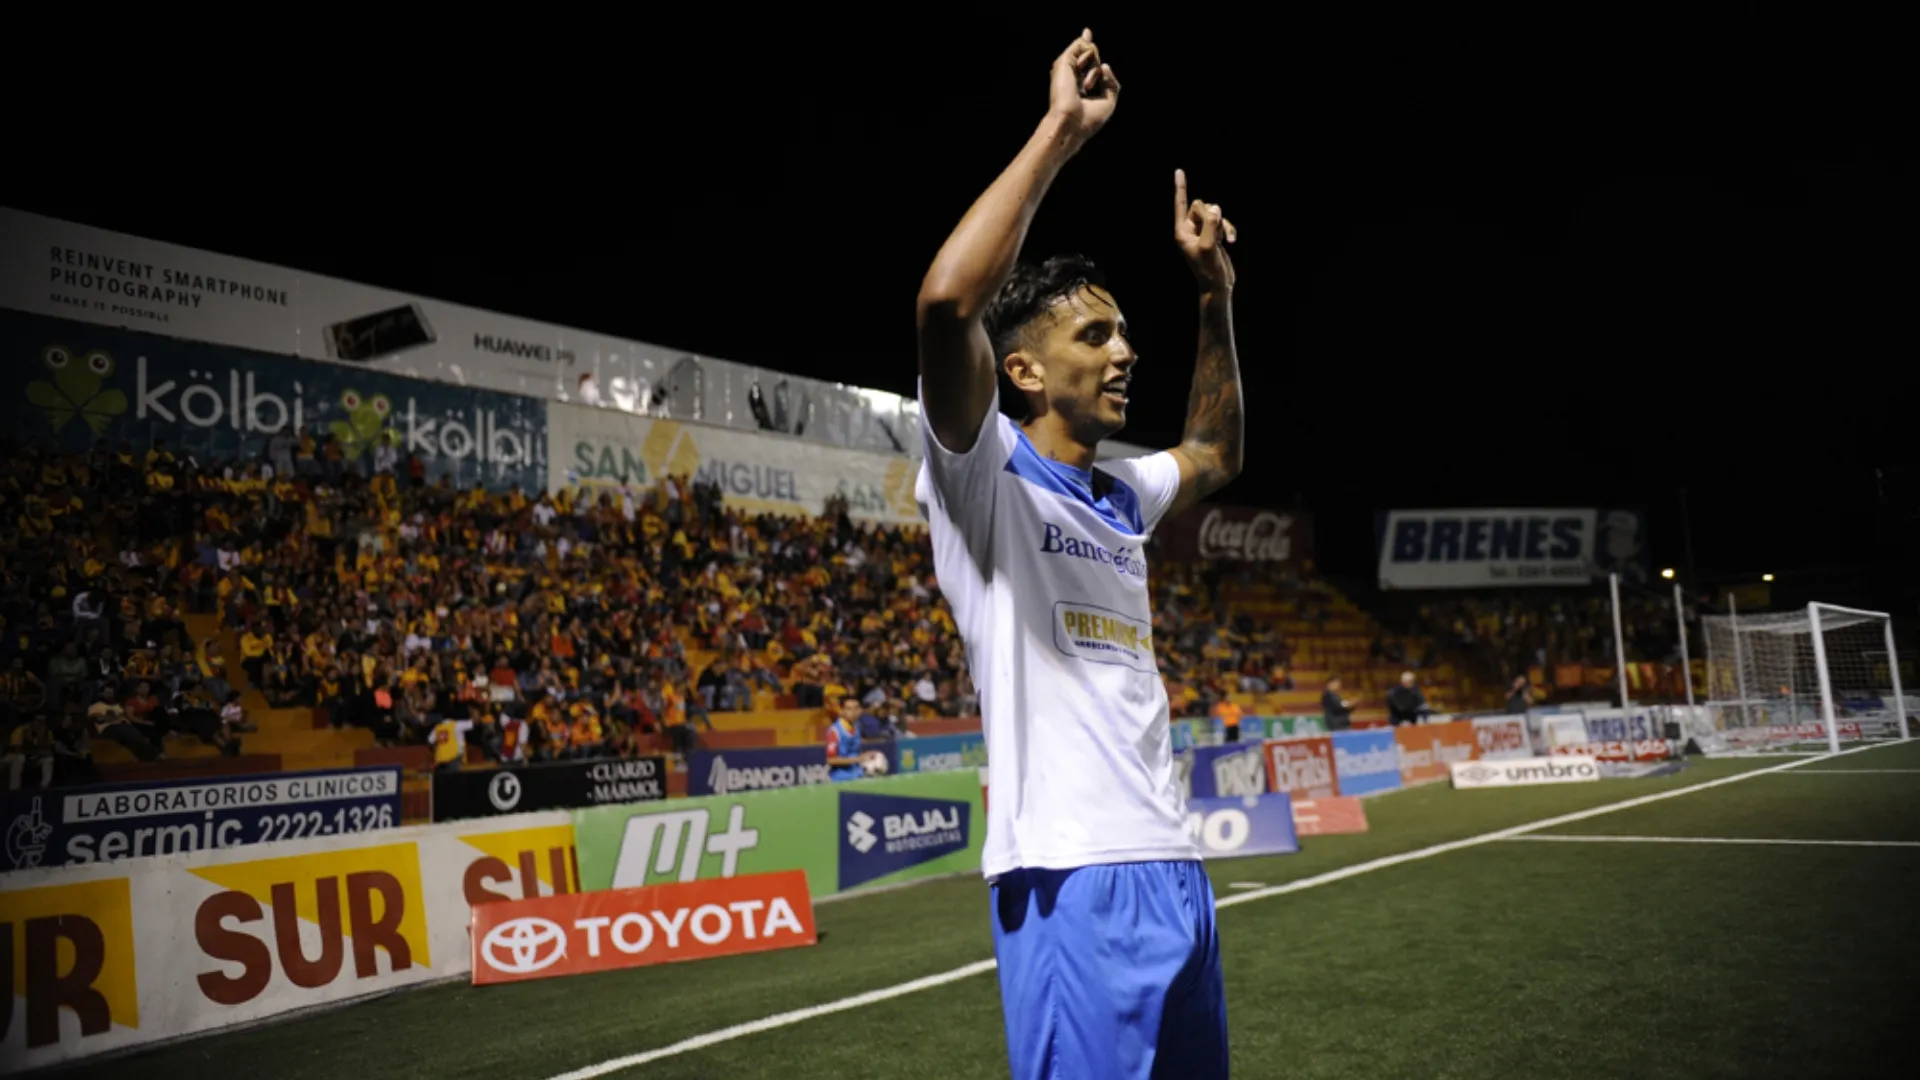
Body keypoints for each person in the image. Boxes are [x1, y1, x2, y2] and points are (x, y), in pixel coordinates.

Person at [913, 28, 1244, 1080]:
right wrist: (1061, 131)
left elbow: (1216, 452)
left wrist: (1215, 296)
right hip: (1069, 876)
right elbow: (946, 303)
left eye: (1124, 334)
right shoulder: (984, 476)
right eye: (1094, 336)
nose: (1124, 352)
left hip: (1174, 864)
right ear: (1022, 371)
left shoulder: (1120, 493)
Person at [825, 704, 864, 782]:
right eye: (849, 709)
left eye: (856, 708)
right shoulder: (835, 731)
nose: (853, 712)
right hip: (841, 777)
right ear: (842, 711)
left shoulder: (857, 726)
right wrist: (857, 759)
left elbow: (855, 753)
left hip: (859, 775)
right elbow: (831, 760)